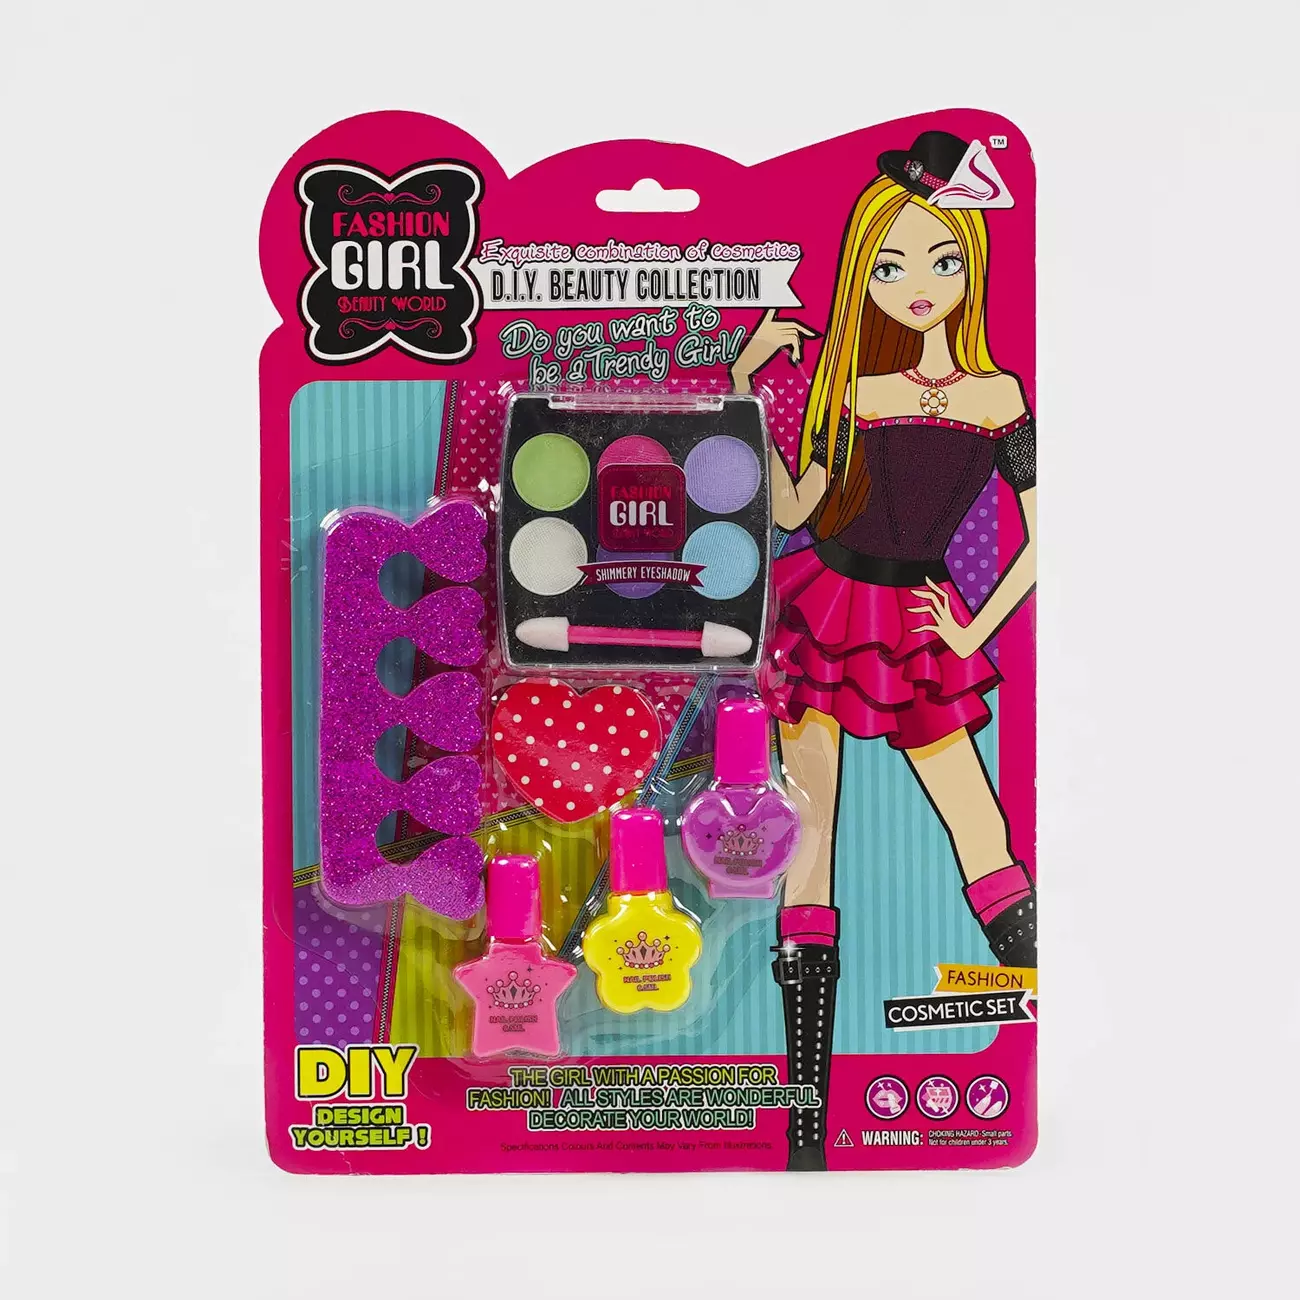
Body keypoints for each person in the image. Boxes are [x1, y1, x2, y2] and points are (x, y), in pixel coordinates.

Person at [731, 131, 1037, 1170]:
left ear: (971, 267)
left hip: (913, 620)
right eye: (891, 265)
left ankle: (1021, 1033)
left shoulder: (998, 397)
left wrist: (974, 627)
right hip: (823, 606)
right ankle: (805, 1128)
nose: (918, 284)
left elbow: (1049, 534)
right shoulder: (849, 389)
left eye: (942, 260)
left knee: (982, 831)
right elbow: (788, 509)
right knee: (805, 844)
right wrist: (745, 381)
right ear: (863, 275)